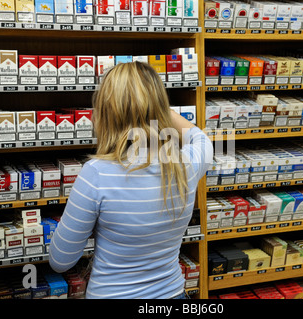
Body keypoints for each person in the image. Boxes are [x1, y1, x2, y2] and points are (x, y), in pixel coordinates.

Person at [49, 61, 213, 299]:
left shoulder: (97, 174)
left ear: (106, 112)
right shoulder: (187, 164)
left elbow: (60, 261)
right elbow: (201, 137)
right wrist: (155, 110)